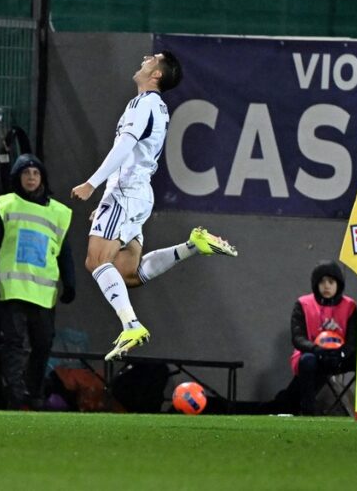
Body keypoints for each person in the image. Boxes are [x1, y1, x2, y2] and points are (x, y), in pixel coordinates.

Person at [70, 52, 238, 361]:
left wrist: (93, 184)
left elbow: (125, 147)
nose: (147, 58)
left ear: (156, 75)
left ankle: (131, 324)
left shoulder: (143, 102)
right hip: (139, 195)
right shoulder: (159, 109)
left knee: (96, 261)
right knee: (127, 274)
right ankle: (193, 245)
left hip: (125, 192)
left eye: (154, 58)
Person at [0, 154, 75, 409]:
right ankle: (15, 395)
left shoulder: (58, 212)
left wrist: (70, 281)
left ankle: (33, 393)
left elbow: (64, 251)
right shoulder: (4, 206)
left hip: (43, 292)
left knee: (43, 344)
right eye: (26, 173)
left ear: (42, 177)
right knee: (13, 343)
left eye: (35, 173)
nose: (31, 178)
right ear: (17, 178)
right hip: (11, 289)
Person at [290, 261, 357, 417]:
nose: (326, 286)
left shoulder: (350, 306)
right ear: (315, 284)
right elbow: (297, 338)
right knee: (306, 361)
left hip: (340, 355)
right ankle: (308, 412)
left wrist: (342, 353)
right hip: (313, 353)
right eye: (321, 282)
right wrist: (317, 350)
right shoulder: (303, 304)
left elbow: (354, 340)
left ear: (338, 284)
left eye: (331, 282)